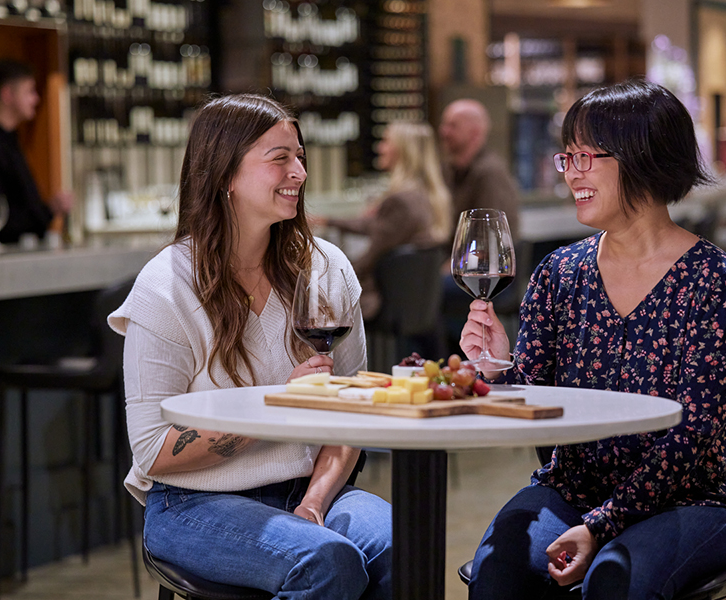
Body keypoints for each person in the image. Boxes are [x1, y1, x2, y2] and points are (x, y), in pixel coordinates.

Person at [459, 79, 726, 600]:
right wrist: (500, 369)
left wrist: (602, 526)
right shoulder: (561, 272)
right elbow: (540, 408)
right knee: (497, 572)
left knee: (613, 581)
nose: (571, 171)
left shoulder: (715, 280)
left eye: (585, 156)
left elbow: (691, 434)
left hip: (693, 500)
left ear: (645, 157)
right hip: (573, 489)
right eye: (566, 156)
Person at [107, 94, 391, 598]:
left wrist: (314, 504)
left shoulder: (326, 270)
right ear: (225, 176)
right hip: (194, 503)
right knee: (326, 561)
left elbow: (352, 419)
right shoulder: (165, 288)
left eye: (300, 156)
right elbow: (151, 452)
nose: (299, 172)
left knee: (400, 542)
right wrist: (277, 405)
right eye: (279, 158)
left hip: (310, 485)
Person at [321, 121, 451, 319]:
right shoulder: (429, 198)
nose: (379, 147)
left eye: (386, 141)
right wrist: (330, 220)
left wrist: (325, 278)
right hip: (413, 301)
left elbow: (369, 262)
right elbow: (376, 226)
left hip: (382, 302)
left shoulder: (400, 202)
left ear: (403, 151)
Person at [0, 59, 73, 245]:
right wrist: (49, 210)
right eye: (29, 92)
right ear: (7, 94)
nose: (35, 99)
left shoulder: (8, 140)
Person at [439, 98, 520, 238]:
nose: (443, 132)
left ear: (475, 133)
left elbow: (491, 237)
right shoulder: (451, 170)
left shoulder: (489, 174)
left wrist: (454, 259)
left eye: (452, 126)